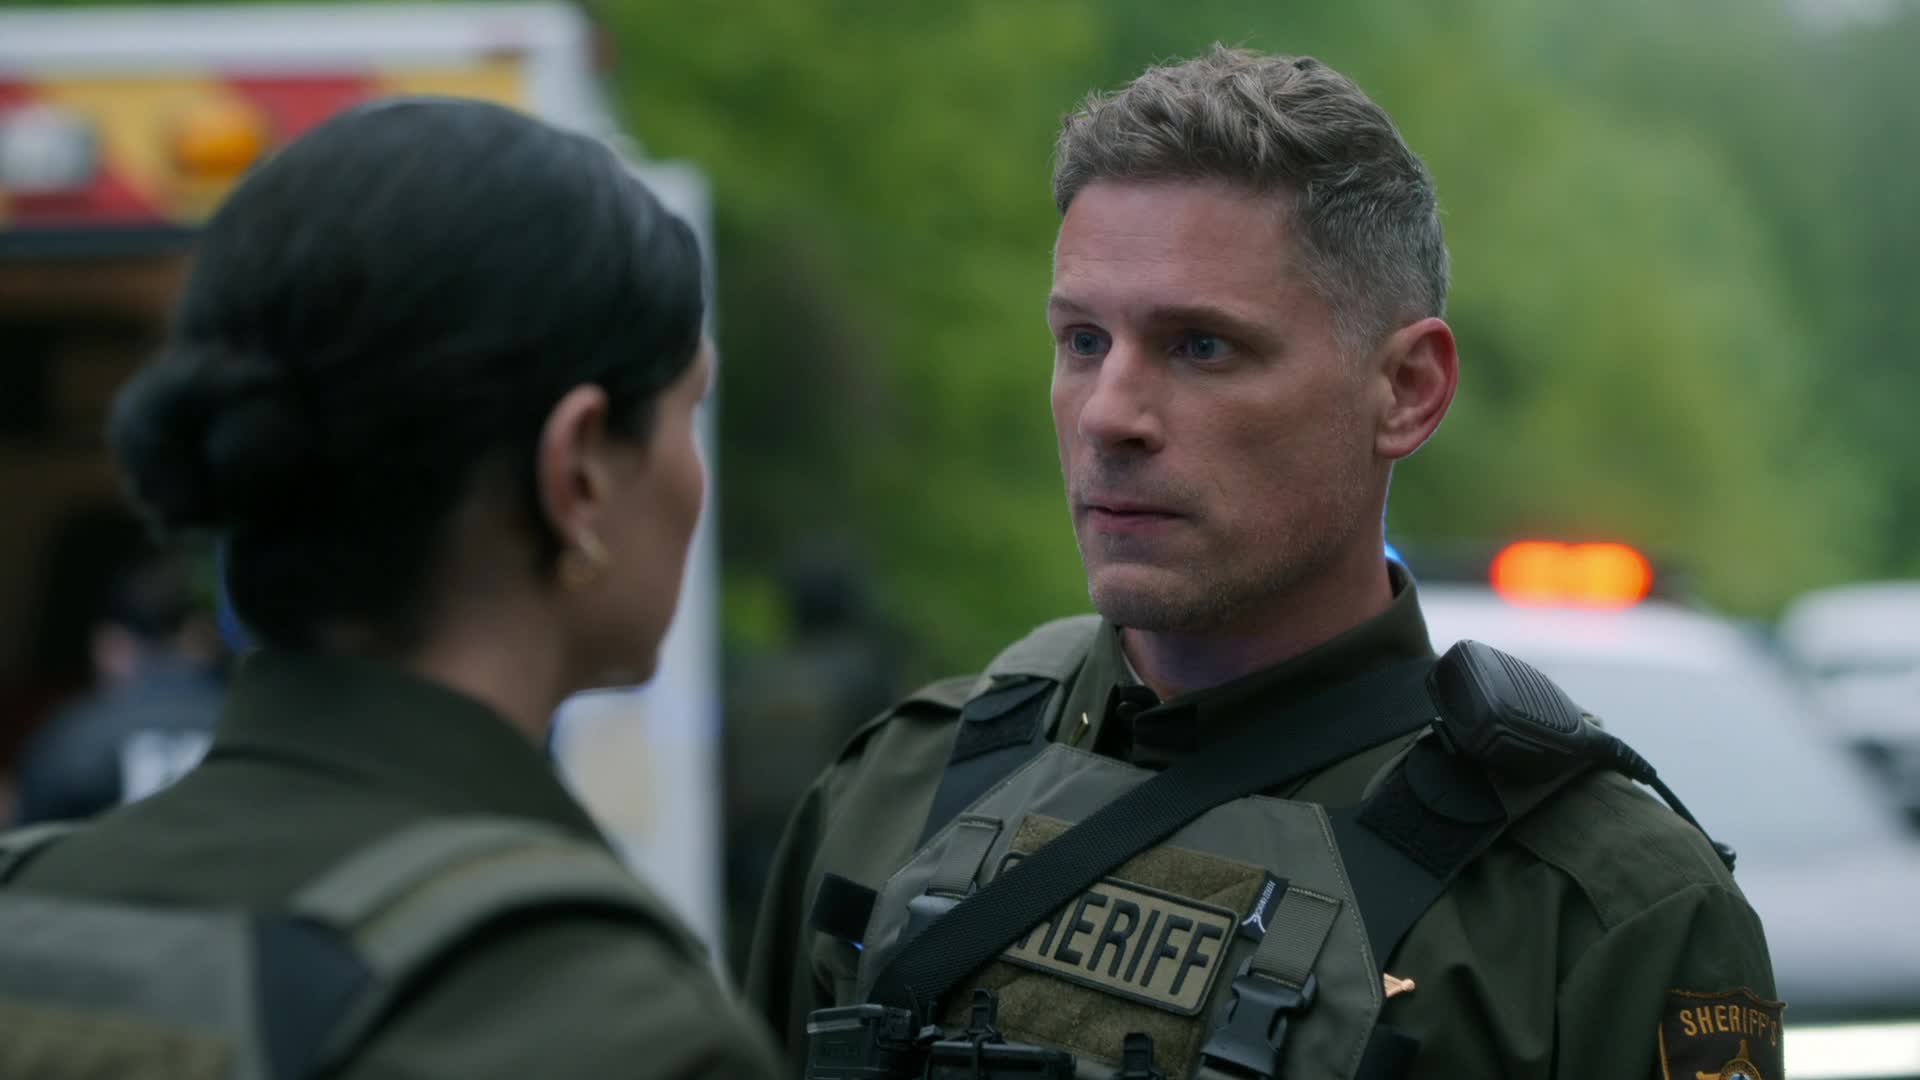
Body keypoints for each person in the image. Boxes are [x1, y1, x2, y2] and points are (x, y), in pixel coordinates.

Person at [743, 47, 1778, 1080]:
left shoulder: (1591, 916)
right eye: (1084, 341)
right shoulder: (896, 791)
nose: (1109, 415)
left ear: (1407, 390)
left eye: (1202, 347)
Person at [2, 98, 780, 1077]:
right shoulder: (608, 1024)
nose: (692, 476)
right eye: (687, 411)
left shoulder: (32, 907)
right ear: (578, 471)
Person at [12, 520, 224, 824]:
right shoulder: (242, 727)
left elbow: (28, 837)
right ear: (202, 637)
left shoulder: (73, 736)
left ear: (110, 647)